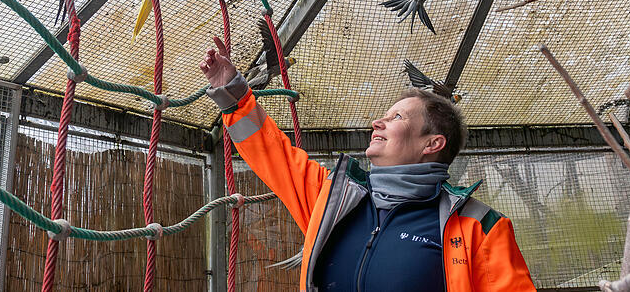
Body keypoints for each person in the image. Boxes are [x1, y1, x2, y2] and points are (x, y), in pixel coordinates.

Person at [200, 37, 535, 291]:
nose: (378, 122)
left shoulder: (480, 227)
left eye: (397, 117)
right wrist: (233, 94)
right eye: (384, 116)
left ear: (432, 144)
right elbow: (274, 156)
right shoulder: (333, 198)